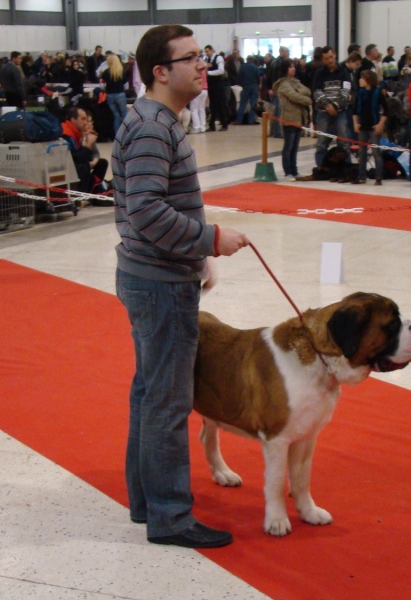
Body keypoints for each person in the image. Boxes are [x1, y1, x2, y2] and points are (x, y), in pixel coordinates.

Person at [112, 24, 248, 549]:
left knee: (150, 394)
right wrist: (210, 239)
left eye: (203, 57)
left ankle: (146, 501)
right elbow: (146, 211)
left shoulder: (156, 120)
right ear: (161, 71)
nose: (203, 66)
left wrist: (195, 251)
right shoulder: (152, 126)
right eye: (191, 59)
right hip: (160, 283)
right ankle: (170, 515)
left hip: (158, 273)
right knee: (167, 403)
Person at [311, 46, 353, 168]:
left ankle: (346, 167)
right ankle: (321, 168)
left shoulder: (343, 72)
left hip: (340, 112)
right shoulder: (319, 73)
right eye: (326, 58)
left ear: (335, 55)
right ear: (322, 60)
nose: (329, 60)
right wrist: (328, 106)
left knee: (344, 142)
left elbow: (346, 91)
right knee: (321, 143)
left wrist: (335, 106)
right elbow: (316, 91)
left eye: (331, 57)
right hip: (324, 112)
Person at [273, 57, 311, 181]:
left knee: (295, 147)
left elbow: (307, 90)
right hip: (289, 118)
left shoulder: (295, 82)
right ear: (285, 69)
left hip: (299, 118)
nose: (293, 69)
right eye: (290, 67)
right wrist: (307, 99)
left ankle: (294, 170)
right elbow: (295, 97)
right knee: (288, 146)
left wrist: (299, 91)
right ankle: (288, 171)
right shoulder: (283, 84)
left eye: (294, 66)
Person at [61, 106, 108, 194]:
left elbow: (94, 153)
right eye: (83, 119)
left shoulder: (78, 132)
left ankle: (94, 189)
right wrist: (88, 144)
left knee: (102, 163)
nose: (86, 123)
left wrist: (89, 143)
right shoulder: (66, 134)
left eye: (88, 120)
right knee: (84, 166)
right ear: (73, 119)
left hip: (80, 163)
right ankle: (83, 195)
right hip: (70, 168)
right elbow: (75, 158)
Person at [352, 69, 385, 185]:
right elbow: (355, 110)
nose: (360, 80)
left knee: (376, 152)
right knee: (362, 152)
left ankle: (379, 176)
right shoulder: (359, 93)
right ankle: (362, 176)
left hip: (374, 125)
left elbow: (386, 111)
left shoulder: (378, 92)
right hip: (363, 126)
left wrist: (380, 124)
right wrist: (356, 123)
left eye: (362, 78)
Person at [101, 54, 128, 139]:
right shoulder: (121, 71)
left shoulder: (105, 72)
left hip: (110, 95)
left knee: (116, 115)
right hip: (120, 93)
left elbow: (101, 85)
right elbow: (126, 86)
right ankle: (126, 134)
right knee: (124, 114)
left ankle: (117, 136)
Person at [204, 45, 229, 131]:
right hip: (211, 86)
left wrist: (209, 73)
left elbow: (221, 71)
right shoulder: (208, 59)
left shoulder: (219, 58)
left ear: (211, 50)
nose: (206, 53)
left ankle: (224, 124)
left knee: (220, 105)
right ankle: (212, 125)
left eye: (207, 51)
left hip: (218, 85)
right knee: (212, 105)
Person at [236, 55, 261, 124]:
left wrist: (241, 84)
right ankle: (251, 120)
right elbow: (258, 78)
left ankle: (239, 120)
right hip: (254, 86)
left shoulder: (242, 67)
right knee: (253, 104)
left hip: (245, 86)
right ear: (253, 60)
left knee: (242, 103)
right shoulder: (255, 67)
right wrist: (258, 84)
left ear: (247, 59)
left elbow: (239, 77)